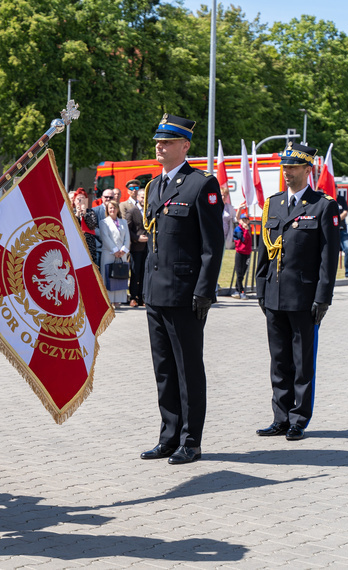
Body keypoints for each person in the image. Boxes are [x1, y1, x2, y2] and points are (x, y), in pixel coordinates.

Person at [139, 114, 224, 465]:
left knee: (188, 368)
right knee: (164, 369)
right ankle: (168, 436)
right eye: (158, 140)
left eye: (168, 141)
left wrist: (204, 290)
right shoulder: (153, 186)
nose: (160, 145)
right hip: (155, 292)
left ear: (185, 146)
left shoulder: (201, 184)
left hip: (185, 292)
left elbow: (212, 245)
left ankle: (191, 440)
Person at [255, 142, 340, 441]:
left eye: (293, 167)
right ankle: (280, 417)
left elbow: (329, 257)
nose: (287, 172)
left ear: (308, 170)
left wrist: (323, 297)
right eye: (285, 167)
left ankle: (298, 419)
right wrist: (260, 288)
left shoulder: (323, 205)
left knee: (302, 362)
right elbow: (264, 252)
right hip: (275, 295)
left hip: (304, 297)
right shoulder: (273, 204)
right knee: (279, 360)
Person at [100, 200, 130, 306]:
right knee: (108, 276)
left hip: (122, 253)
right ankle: (108, 300)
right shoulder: (104, 222)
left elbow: (127, 238)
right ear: (108, 210)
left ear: (117, 209)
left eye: (114, 208)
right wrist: (115, 250)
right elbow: (105, 237)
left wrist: (123, 250)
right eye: (110, 208)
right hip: (109, 253)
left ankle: (118, 300)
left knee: (120, 275)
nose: (112, 210)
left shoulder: (123, 222)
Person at [126, 187, 148, 307]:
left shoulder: (150, 210)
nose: (144, 199)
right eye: (142, 197)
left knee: (145, 273)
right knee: (135, 273)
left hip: (148, 247)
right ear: (138, 198)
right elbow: (127, 229)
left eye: (145, 197)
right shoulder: (132, 211)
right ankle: (133, 297)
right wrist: (137, 238)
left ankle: (142, 297)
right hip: (136, 247)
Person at [334, 192, 348, 279]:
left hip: (342, 230)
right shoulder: (326, 199)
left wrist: (336, 220)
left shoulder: (341, 199)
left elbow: (345, 211)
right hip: (331, 232)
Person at [233, 213, 252, 299]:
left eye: (246, 220)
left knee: (243, 272)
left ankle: (237, 289)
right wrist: (245, 230)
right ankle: (241, 291)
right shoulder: (238, 229)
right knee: (239, 272)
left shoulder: (248, 229)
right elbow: (243, 240)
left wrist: (247, 230)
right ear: (240, 221)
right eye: (243, 220)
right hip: (240, 253)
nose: (245, 222)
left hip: (247, 253)